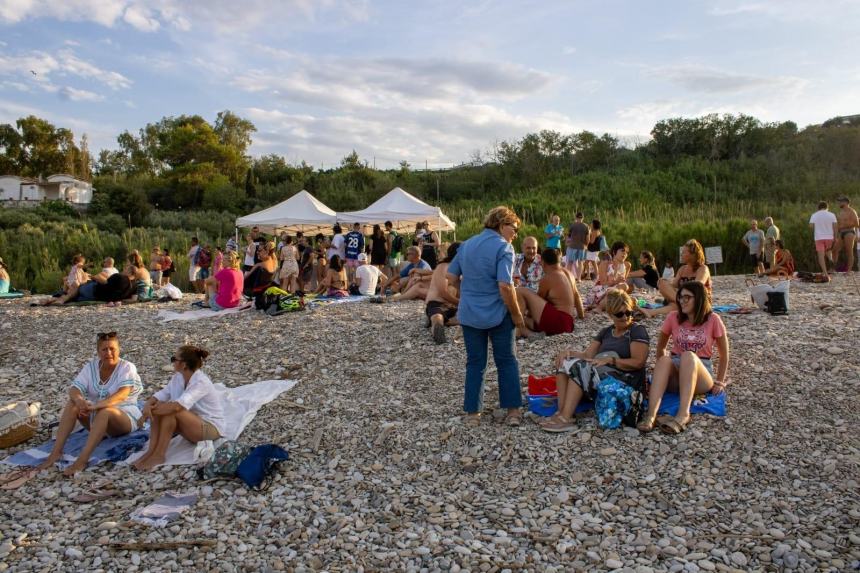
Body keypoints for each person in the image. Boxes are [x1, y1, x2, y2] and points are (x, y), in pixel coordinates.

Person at [446, 206, 525, 427]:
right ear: (502, 225)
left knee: (475, 363)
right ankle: (512, 411)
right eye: (514, 228)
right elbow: (505, 286)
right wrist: (517, 315)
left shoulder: (467, 244)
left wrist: (466, 292)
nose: (515, 234)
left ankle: (473, 413)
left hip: (470, 312)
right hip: (498, 312)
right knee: (507, 360)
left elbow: (450, 276)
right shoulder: (505, 248)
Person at [542, 290, 649, 433]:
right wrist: (567, 353)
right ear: (610, 315)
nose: (625, 317)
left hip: (625, 378)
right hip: (603, 372)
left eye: (628, 313)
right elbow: (587, 354)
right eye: (619, 314)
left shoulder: (636, 331)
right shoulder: (606, 332)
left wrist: (611, 360)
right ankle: (563, 412)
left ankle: (565, 419)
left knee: (580, 367)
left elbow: (638, 362)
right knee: (565, 363)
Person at [38, 332, 142, 476]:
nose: (109, 353)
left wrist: (97, 406)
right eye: (104, 349)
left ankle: (82, 460)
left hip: (124, 416)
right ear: (98, 352)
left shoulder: (127, 367)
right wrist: (80, 401)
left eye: (112, 349)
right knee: (73, 403)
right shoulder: (91, 367)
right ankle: (56, 452)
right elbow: (74, 389)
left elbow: (123, 394)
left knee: (106, 411)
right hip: (97, 415)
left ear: (119, 349)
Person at [638, 281, 730, 434]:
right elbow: (661, 348)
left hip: (700, 372)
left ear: (699, 298)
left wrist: (720, 381)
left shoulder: (713, 319)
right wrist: (662, 372)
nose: (682, 301)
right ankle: (651, 415)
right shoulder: (673, 317)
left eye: (688, 297)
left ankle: (683, 414)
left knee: (688, 355)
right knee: (665, 359)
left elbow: (724, 354)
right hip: (676, 370)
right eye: (680, 297)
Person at [133, 345, 225, 471]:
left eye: (174, 359)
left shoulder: (200, 382)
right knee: (162, 407)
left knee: (172, 410)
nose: (172, 362)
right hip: (192, 426)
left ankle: (159, 455)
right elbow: (162, 395)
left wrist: (147, 413)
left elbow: (177, 407)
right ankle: (151, 452)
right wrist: (149, 405)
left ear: (184, 364)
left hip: (210, 429)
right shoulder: (178, 377)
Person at [516, 248, 584, 337]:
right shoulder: (569, 274)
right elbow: (577, 296)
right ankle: (522, 326)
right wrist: (581, 316)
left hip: (557, 324)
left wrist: (527, 314)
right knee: (525, 320)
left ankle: (521, 330)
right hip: (569, 324)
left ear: (543, 263)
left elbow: (536, 303)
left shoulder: (548, 278)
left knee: (520, 291)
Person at [640, 240, 712, 318]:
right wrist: (665, 285)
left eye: (684, 252)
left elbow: (698, 286)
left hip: (698, 301)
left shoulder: (703, 268)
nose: (681, 254)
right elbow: (674, 286)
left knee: (676, 303)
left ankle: (681, 304)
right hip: (683, 301)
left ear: (693, 254)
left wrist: (679, 292)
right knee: (662, 283)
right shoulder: (682, 269)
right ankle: (651, 312)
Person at [425, 242, 461, 344]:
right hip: (438, 303)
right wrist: (460, 302)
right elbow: (442, 292)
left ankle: (444, 321)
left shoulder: (461, 269)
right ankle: (437, 326)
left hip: (453, 306)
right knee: (437, 317)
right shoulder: (443, 267)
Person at [586, 241, 631, 310]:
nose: (625, 254)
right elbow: (603, 283)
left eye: (626, 252)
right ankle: (599, 306)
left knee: (632, 299)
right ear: (614, 252)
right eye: (622, 251)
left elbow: (621, 282)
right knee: (624, 286)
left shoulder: (625, 266)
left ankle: (607, 305)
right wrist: (616, 282)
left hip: (613, 292)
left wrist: (618, 281)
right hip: (599, 293)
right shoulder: (605, 263)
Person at [809, 201, 838, 278]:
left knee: (821, 256)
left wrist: (818, 227)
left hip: (819, 237)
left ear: (818, 207)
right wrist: (835, 237)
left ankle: (825, 273)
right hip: (829, 237)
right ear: (827, 207)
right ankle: (831, 262)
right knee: (829, 251)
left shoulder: (814, 215)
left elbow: (811, 226)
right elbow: (835, 227)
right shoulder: (832, 215)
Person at [836, 196, 859, 272]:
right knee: (835, 250)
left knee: (849, 251)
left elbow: (857, 223)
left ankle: (849, 270)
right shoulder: (840, 212)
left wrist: (844, 226)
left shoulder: (852, 211)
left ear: (845, 202)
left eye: (840, 201)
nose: (839, 203)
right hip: (841, 232)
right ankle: (833, 268)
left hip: (849, 232)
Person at [565, 212, 590, 280]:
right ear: (582, 218)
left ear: (576, 218)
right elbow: (588, 238)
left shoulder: (572, 225)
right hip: (582, 247)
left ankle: (568, 278)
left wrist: (567, 242)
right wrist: (586, 245)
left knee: (570, 262)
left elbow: (568, 235)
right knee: (580, 262)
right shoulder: (586, 226)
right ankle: (579, 278)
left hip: (572, 246)